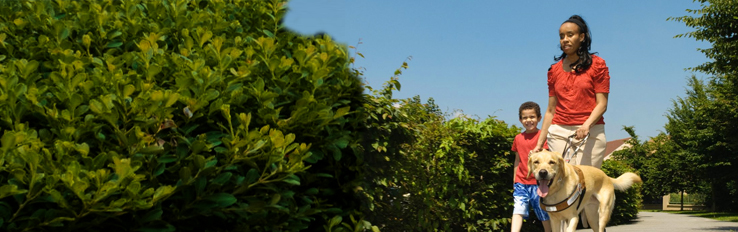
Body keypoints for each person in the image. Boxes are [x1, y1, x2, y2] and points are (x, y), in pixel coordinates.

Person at [533, 15, 610, 169]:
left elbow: (602, 104)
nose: (565, 40)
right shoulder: (553, 70)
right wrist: (540, 143)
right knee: (564, 181)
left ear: (581, 37)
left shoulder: (597, 65)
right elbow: (550, 110)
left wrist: (586, 125)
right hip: (559, 131)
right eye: (562, 36)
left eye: (570, 35)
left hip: (590, 130)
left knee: (586, 182)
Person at [511, 101, 551, 232]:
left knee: (543, 214)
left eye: (532, 117)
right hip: (521, 182)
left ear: (539, 118)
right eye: (525, 117)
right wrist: (515, 179)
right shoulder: (518, 138)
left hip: (538, 184)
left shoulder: (543, 136)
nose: (529, 120)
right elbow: (517, 160)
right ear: (520, 120)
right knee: (518, 210)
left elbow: (546, 156)